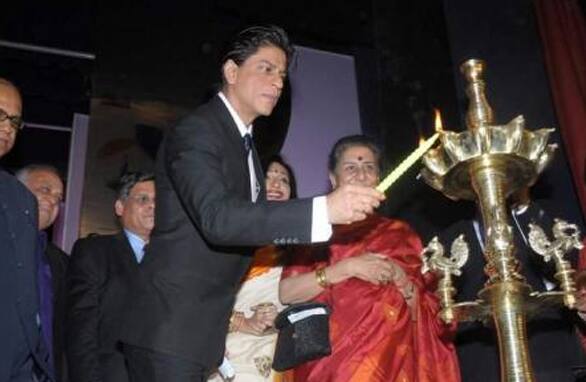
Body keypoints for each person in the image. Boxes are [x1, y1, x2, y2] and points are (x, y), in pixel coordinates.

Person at [120, 25, 384, 381]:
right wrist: (323, 208)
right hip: (170, 329)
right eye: (266, 68)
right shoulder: (198, 130)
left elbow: (248, 229)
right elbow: (218, 219)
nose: (277, 82)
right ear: (231, 72)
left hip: (199, 336)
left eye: (282, 74)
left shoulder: (248, 152)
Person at [279, 135, 460, 382]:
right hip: (329, 365)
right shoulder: (316, 232)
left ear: (378, 177)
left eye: (369, 168)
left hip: (393, 364)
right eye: (350, 168)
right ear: (333, 179)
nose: (361, 175)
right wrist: (347, 267)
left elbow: (431, 313)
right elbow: (287, 293)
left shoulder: (400, 233)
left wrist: (401, 279)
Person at [440, 186, 586, 381]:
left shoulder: (545, 218)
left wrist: (523, 201)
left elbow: (565, 267)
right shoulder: (451, 239)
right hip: (485, 366)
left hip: (549, 361)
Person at [208, 156, 296, 382]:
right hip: (227, 347)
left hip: (279, 349)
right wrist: (242, 322)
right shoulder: (224, 238)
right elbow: (199, 297)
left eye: (284, 180)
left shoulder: (301, 249)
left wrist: (282, 319)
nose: (276, 184)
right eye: (268, 178)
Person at [66, 172, 155, 382]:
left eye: (157, 201)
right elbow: (82, 328)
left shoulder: (173, 260)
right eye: (143, 199)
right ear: (119, 207)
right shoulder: (95, 251)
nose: (153, 206)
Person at [0, 78, 54, 382]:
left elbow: (25, 287)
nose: (8, 127)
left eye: (15, 120)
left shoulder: (21, 199)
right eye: (0, 115)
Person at [16, 164, 69, 382]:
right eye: (45, 190)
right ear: (14, 190)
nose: (53, 200)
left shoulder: (62, 262)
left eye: (59, 197)